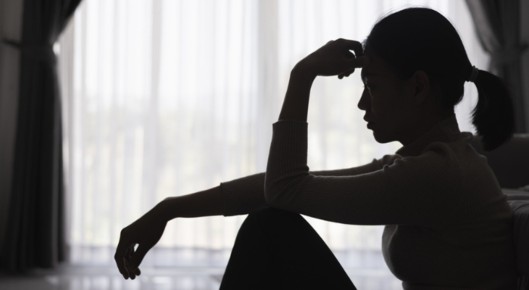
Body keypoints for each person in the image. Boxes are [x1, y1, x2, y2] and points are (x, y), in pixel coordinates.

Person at [114, 7, 519, 290]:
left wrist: (302, 75)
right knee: (270, 223)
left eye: (372, 86)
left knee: (270, 226)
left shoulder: (437, 174)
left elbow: (285, 190)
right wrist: (169, 208)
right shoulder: (430, 162)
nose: (363, 103)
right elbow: (283, 185)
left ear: (417, 87)